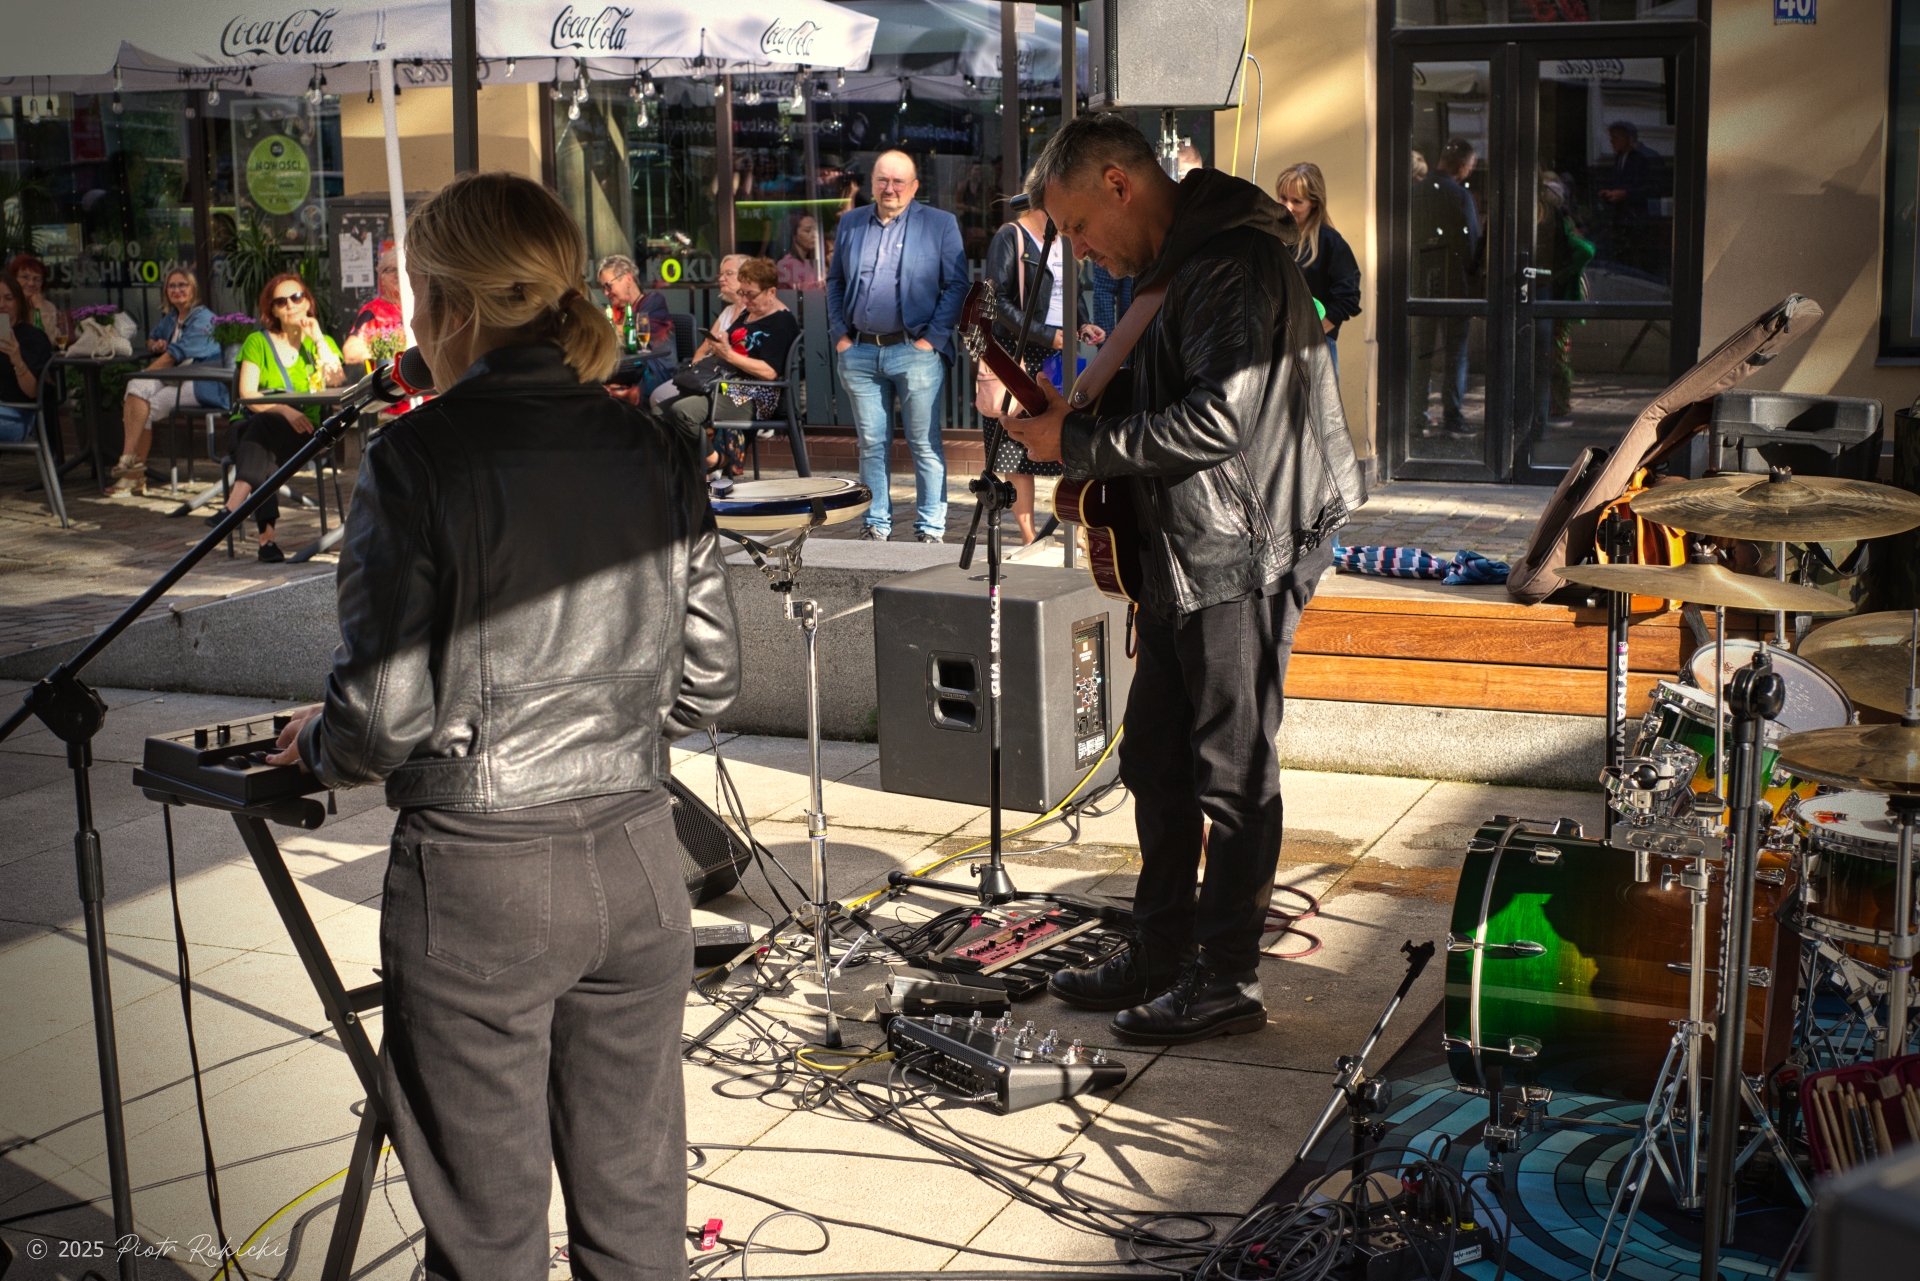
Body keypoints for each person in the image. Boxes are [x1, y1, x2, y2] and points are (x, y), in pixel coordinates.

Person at [264, 171, 738, 1281]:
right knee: (638, 1223)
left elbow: (381, 721)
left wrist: (318, 745)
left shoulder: (416, 455)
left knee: (487, 1239)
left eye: (416, 298)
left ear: (449, 304)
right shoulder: (657, 446)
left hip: (481, 877)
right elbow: (708, 683)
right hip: (640, 856)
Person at [1001, 114, 1364, 1045]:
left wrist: (1078, 442)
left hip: (1244, 546)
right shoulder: (1179, 258)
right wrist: (1068, 414)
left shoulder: (1228, 262)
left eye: (1079, 226)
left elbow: (1218, 421)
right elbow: (1166, 390)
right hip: (1185, 545)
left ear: (1119, 184)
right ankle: (1162, 949)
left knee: (1229, 770)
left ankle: (1226, 977)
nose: (1079, 248)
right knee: (1154, 758)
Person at [825, 148, 970, 542]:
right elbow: (836, 281)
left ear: (914, 186)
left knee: (924, 443)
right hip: (859, 351)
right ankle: (875, 524)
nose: (890, 188)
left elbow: (957, 285)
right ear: (872, 184)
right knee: (871, 444)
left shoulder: (940, 224)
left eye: (898, 182)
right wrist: (840, 335)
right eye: (882, 180)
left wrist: (931, 340)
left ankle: (931, 527)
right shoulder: (852, 222)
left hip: (914, 352)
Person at [982, 200, 1106, 543]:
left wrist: (1083, 324)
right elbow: (998, 301)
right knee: (1014, 448)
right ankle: (1029, 537)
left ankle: (1076, 530)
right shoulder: (1012, 236)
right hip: (1019, 352)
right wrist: (1045, 334)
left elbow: (1071, 292)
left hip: (1060, 355)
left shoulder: (1065, 239)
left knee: (1068, 440)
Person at [210, 272, 346, 561]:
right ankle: (265, 541)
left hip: (304, 432)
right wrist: (284, 409)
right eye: (281, 301)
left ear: (308, 302)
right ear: (271, 310)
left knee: (263, 443)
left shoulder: (322, 343)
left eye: (296, 297)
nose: (290, 305)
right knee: (264, 434)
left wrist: (317, 338)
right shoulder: (257, 342)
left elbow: (336, 380)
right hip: (250, 425)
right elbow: (247, 394)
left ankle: (233, 508)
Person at [659, 256, 800, 489]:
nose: (745, 300)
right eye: (742, 293)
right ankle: (683, 474)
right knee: (659, 411)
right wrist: (721, 342)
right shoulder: (749, 312)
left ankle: (715, 461)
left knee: (682, 412)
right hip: (726, 385)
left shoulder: (781, 322)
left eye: (751, 294)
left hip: (754, 395)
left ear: (771, 292)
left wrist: (728, 354)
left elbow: (770, 372)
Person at [107, 268, 230, 495]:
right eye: (172, 286)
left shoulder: (204, 319)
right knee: (135, 388)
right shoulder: (172, 317)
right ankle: (129, 461)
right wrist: (155, 345)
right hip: (173, 378)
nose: (177, 290)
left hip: (200, 382)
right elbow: (152, 338)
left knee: (146, 404)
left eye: (182, 285)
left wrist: (145, 373)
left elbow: (173, 356)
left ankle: (132, 473)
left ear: (193, 289)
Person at [1411, 137, 1480, 438]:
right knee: (1456, 354)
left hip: (1420, 284)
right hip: (1454, 285)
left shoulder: (1417, 191)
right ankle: (1453, 417)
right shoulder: (1460, 196)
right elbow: (1471, 244)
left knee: (1422, 354)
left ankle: (1416, 417)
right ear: (1463, 166)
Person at [1272, 163, 1361, 376]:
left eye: (1297, 201)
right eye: (1283, 198)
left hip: (1315, 350)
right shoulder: (1270, 237)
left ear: (1314, 202)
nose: (1287, 207)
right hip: (1273, 347)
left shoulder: (1330, 243)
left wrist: (1311, 335)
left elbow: (1347, 299)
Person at [596, 253, 676, 395]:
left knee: (603, 393)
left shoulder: (653, 301)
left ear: (628, 278)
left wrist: (600, 327)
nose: (606, 293)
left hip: (654, 373)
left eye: (608, 286)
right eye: (603, 288)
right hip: (627, 371)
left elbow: (633, 331)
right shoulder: (616, 311)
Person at [0, 274, 53, 443]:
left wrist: (17, 360)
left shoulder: (32, 337)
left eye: (8, 298)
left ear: (18, 302)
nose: (1, 305)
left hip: (18, 414)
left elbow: (32, 392)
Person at [340, 248, 406, 364]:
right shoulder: (373, 311)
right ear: (382, 278)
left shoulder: (422, 306)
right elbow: (350, 352)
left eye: (403, 268)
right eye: (392, 270)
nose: (398, 274)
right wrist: (389, 348)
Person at [6, 254, 65, 344]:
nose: (31, 283)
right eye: (25, 277)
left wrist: (40, 307)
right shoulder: (4, 305)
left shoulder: (48, 307)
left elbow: (50, 342)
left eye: (37, 279)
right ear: (14, 279)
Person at [776, 216, 822, 289]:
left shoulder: (809, 263)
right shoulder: (788, 264)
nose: (814, 235)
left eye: (815, 229)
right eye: (807, 231)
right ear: (795, 236)